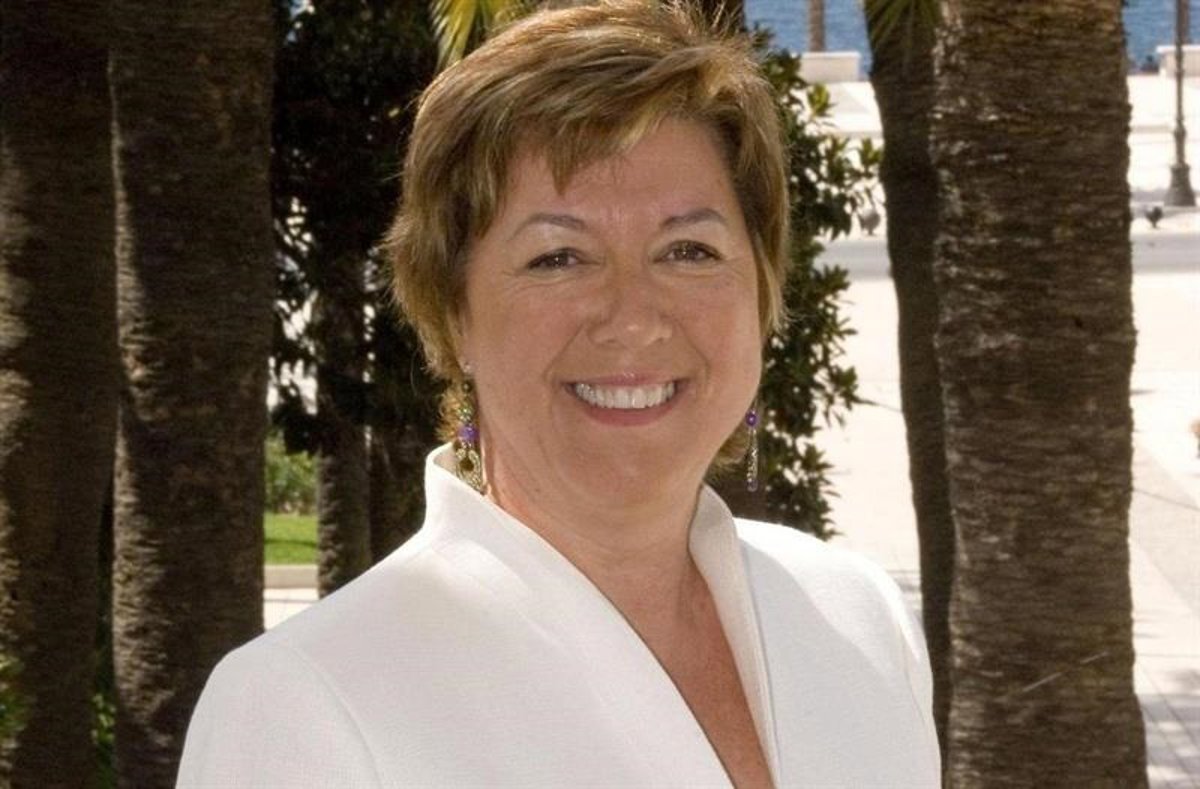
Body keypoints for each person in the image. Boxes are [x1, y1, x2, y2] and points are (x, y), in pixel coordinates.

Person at [177, 1, 941, 785]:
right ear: (454, 314)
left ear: (760, 290)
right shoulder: (303, 707)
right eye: (558, 258)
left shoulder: (861, 623)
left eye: (688, 249)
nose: (633, 317)